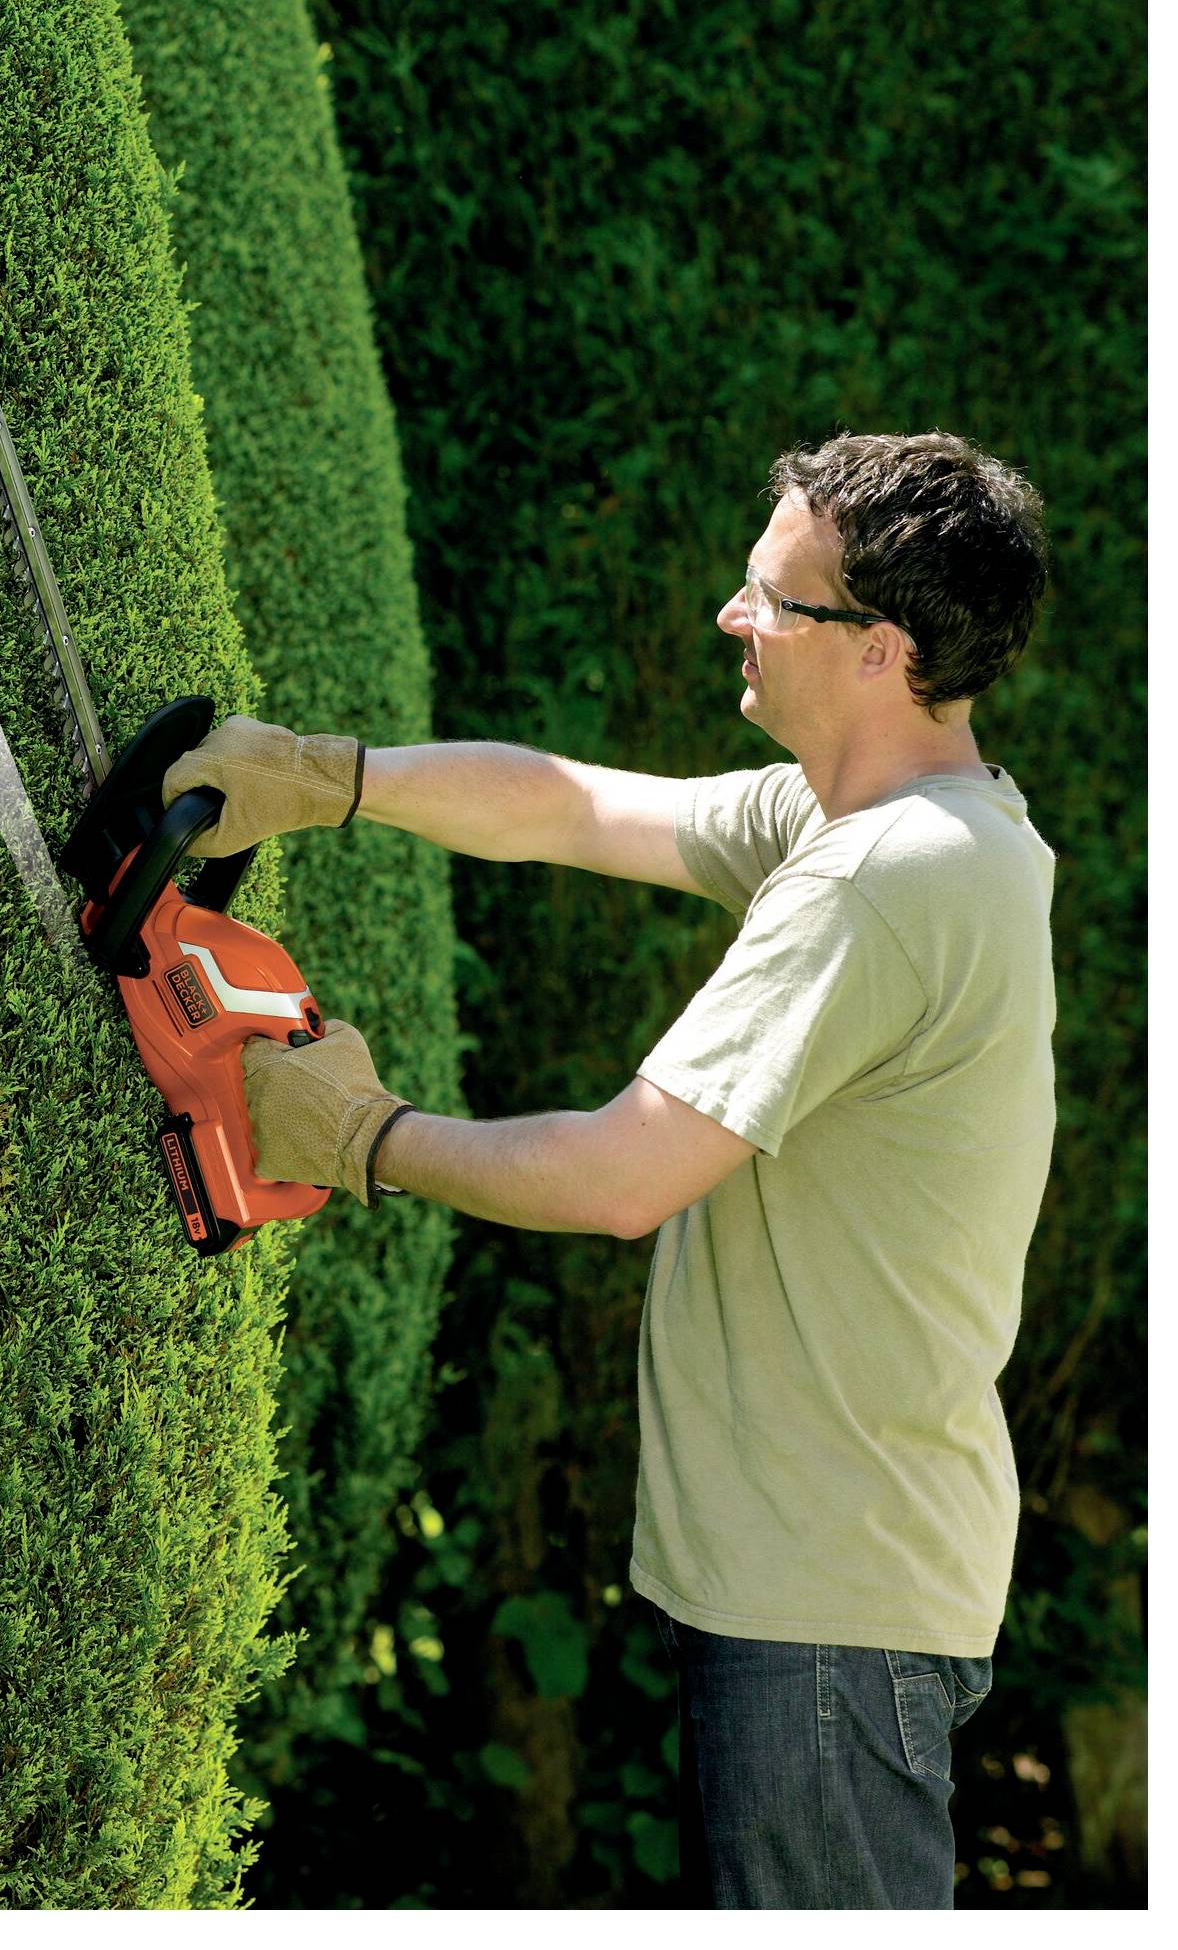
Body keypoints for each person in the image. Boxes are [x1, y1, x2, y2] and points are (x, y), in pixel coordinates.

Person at [161, 429, 1056, 1910]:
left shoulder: (881, 878)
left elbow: (619, 1175)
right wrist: (320, 779)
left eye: (771, 597)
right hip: (835, 1576)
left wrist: (357, 1133)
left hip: (829, 1598)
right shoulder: (892, 820)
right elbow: (574, 806)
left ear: (878, 651)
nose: (731, 615)